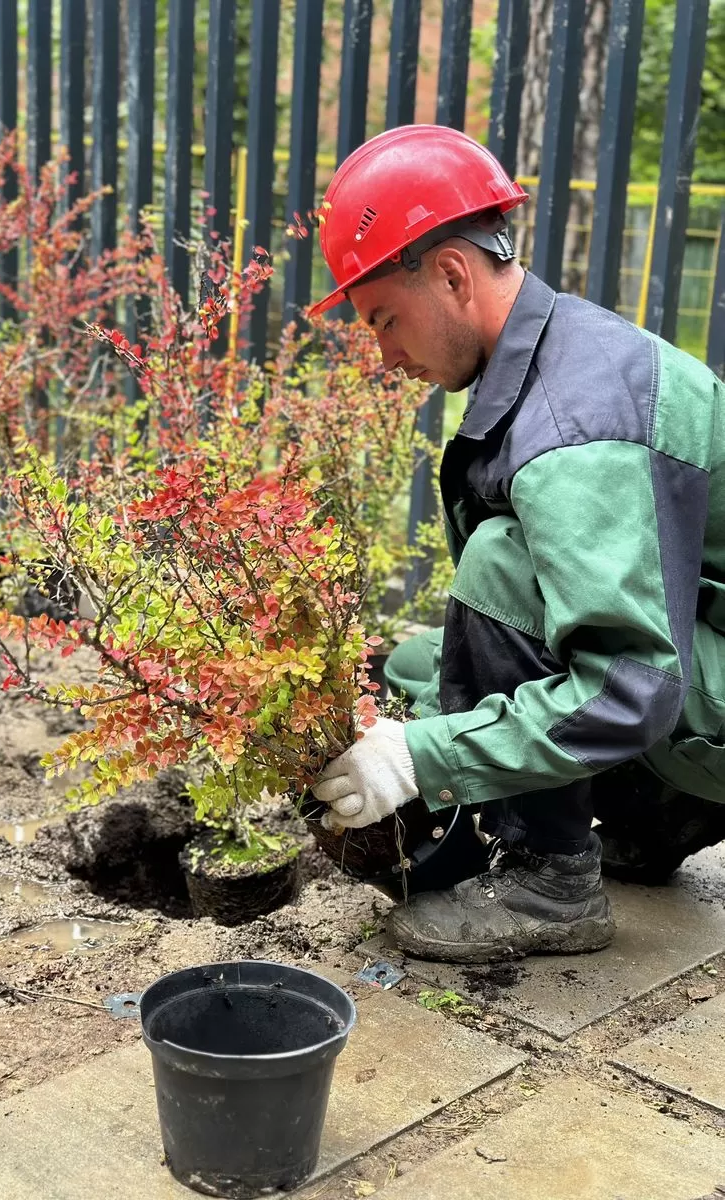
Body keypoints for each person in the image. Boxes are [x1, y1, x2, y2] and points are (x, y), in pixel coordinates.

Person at [308, 125, 725, 964]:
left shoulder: (577, 427)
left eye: (385, 318)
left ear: (453, 274)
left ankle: (551, 882)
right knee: (423, 661)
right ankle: (659, 815)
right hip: (702, 652)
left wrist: (422, 755)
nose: (384, 355)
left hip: (681, 684)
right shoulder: (554, 354)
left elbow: (629, 689)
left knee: (498, 573)